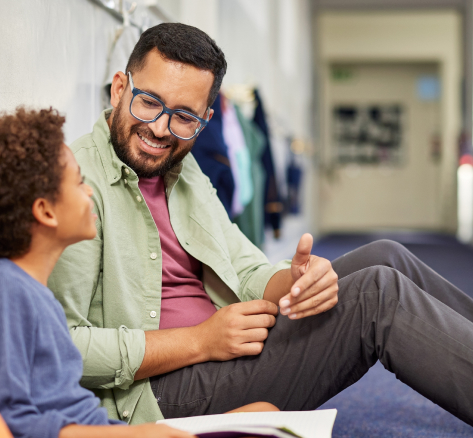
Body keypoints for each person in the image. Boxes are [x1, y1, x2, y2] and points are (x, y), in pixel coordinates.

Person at [48, 22, 473, 426]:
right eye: (149, 102)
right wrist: (201, 341)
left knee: (387, 255)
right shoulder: (77, 183)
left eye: (184, 117)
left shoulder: (182, 166)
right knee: (377, 295)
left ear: (205, 120)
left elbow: (244, 266)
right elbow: (62, 347)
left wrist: (296, 281)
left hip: (229, 339)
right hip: (160, 391)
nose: (161, 129)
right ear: (120, 88)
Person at [0, 107, 199, 438]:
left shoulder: (35, 294)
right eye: (79, 181)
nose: (90, 191)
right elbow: (11, 424)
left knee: (258, 414)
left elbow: (75, 411)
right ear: (46, 211)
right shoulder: (2, 291)